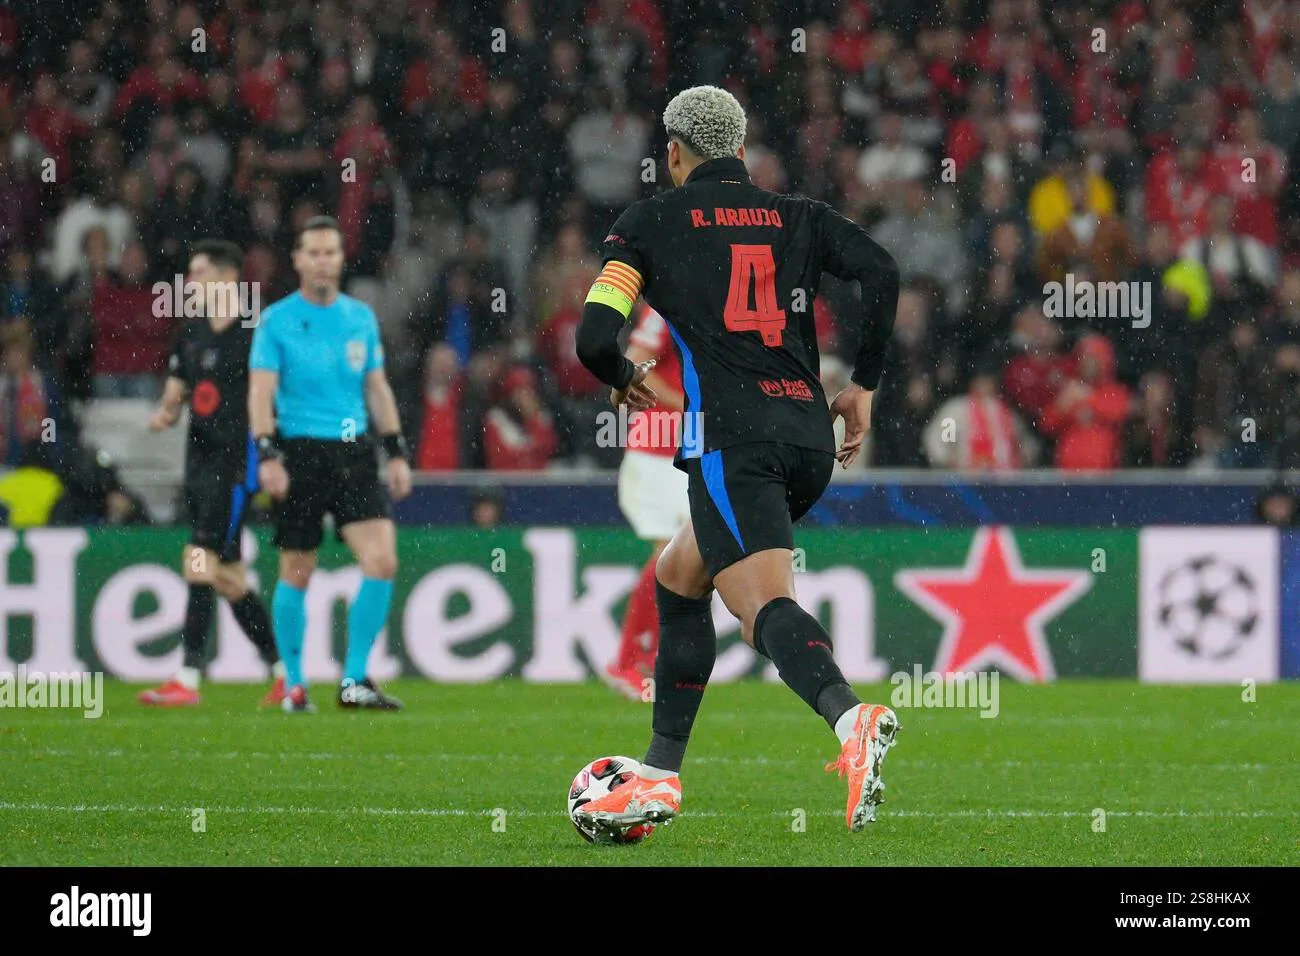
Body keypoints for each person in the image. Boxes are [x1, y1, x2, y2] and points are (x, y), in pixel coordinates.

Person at [574, 86, 902, 837]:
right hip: (810, 435)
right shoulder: (797, 215)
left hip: (733, 440)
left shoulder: (648, 222)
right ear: (742, 151)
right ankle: (659, 773)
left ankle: (851, 718)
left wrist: (627, 381)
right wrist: (866, 386)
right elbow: (882, 272)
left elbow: (594, 340)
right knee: (679, 575)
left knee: (758, 607)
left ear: (676, 154)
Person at [248, 216, 412, 713]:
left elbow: (377, 388)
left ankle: (354, 679)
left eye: (331, 253)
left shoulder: (360, 316)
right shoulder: (276, 320)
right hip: (299, 451)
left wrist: (397, 450)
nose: (323, 261)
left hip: (354, 451)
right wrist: (268, 453)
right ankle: (295, 684)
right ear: (297, 259)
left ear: (342, 259)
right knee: (297, 570)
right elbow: (260, 392)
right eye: (313, 253)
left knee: (382, 560)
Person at [137, 240, 283, 706]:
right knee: (228, 579)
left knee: (197, 561)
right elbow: (179, 385)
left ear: (227, 277)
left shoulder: (255, 332)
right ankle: (285, 672)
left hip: (235, 468)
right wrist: (165, 413)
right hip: (197, 467)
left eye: (198, 273)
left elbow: (269, 396)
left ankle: (187, 679)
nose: (191, 282)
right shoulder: (193, 330)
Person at [603, 302, 690, 700]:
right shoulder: (664, 308)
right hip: (656, 450)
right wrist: (688, 407)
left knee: (684, 559)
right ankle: (629, 659)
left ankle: (648, 656)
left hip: (682, 451)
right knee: (670, 554)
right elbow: (634, 363)